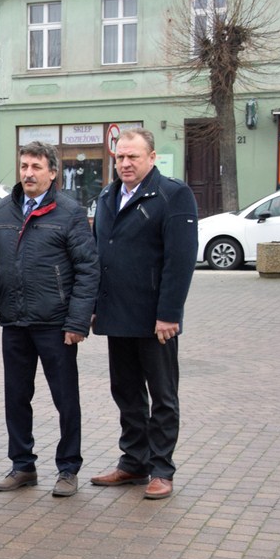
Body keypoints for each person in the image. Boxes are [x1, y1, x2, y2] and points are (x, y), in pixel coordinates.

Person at [0, 141, 99, 497]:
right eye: (24, 166)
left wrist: (77, 323)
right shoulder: (4, 211)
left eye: (35, 167)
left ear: (52, 172)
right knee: (16, 397)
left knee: (65, 399)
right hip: (15, 321)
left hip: (55, 325)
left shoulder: (69, 212)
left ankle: (68, 468)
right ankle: (22, 465)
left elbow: (87, 270)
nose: (28, 173)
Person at [90, 128, 198, 500]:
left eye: (133, 157)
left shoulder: (173, 195)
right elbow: (98, 255)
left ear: (152, 157)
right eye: (120, 157)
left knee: (163, 395)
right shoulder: (107, 195)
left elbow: (180, 261)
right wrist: (92, 306)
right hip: (116, 313)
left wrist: (169, 313)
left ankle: (161, 468)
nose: (125, 163)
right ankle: (133, 462)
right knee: (126, 392)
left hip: (156, 319)